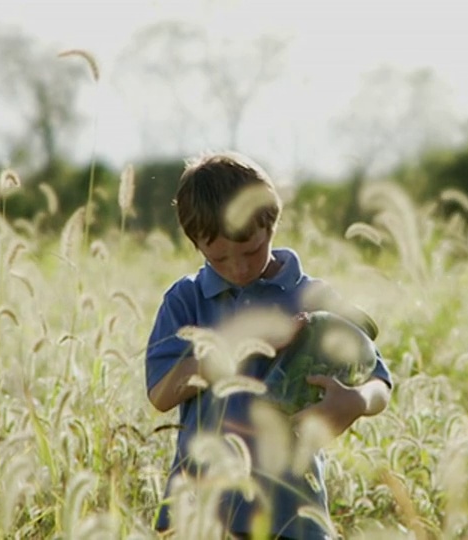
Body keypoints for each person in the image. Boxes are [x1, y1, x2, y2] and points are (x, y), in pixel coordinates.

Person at [144, 150, 393, 539]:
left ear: (271, 225)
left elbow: (377, 379)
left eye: (250, 250)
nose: (239, 268)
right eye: (219, 257)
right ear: (197, 245)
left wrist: (357, 402)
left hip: (292, 514)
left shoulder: (312, 298)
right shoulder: (186, 300)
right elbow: (161, 393)